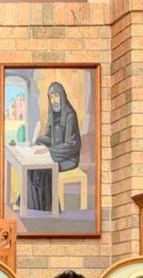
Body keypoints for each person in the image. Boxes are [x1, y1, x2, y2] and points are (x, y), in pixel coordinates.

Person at [26, 83, 81, 214]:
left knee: (44, 169)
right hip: (56, 153)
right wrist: (38, 140)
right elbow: (50, 138)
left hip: (68, 158)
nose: (54, 100)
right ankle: (34, 206)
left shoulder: (70, 116)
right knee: (32, 169)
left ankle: (50, 208)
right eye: (51, 97)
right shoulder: (52, 114)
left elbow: (72, 144)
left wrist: (49, 151)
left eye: (56, 96)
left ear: (62, 96)